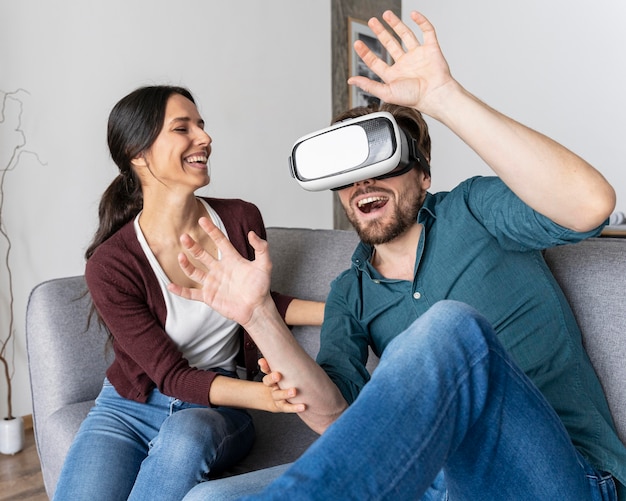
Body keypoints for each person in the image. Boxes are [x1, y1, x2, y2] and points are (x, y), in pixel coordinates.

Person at [171, 10, 626, 501]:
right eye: (346, 175)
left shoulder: (474, 209)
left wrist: (444, 98)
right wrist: (258, 315)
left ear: (423, 174)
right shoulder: (351, 290)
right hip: (439, 482)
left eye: (380, 163)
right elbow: (333, 417)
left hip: (563, 478)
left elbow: (591, 205)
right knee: (208, 499)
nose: (362, 183)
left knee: (449, 326)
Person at [52, 85, 324, 501]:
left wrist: (348, 308)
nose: (205, 137)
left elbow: (256, 303)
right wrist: (267, 398)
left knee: (185, 435)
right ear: (138, 154)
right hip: (128, 409)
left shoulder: (238, 219)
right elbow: (171, 376)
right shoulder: (110, 265)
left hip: (215, 410)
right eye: (183, 128)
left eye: (201, 125)